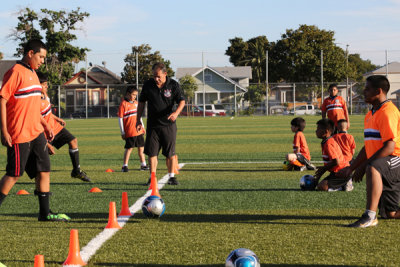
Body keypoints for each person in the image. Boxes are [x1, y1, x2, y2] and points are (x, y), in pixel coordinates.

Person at [0, 39, 70, 221]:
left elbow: (32, 107)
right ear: (30, 53)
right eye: (40, 56)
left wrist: (45, 126)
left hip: (36, 132)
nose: (42, 61)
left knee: (44, 169)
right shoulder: (15, 72)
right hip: (19, 133)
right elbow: (2, 100)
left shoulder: (34, 74)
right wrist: (4, 131)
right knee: (14, 174)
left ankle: (44, 214)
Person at [338, 75, 400, 228]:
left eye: (367, 89)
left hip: (395, 159)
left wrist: (364, 166)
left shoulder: (387, 112)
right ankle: (377, 213)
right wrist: (351, 168)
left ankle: (369, 216)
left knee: (372, 167)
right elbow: (369, 147)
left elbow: (389, 147)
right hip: (385, 162)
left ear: (378, 91)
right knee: (391, 214)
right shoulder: (370, 114)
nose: (364, 91)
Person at [136, 62, 185, 185]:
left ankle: (171, 176)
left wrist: (176, 113)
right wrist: (138, 120)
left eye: (158, 76)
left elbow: (182, 101)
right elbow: (141, 103)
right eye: (154, 76)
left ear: (165, 73)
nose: (156, 79)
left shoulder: (173, 85)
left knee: (169, 153)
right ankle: (152, 177)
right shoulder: (148, 85)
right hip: (153, 125)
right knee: (152, 153)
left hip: (168, 125)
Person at [37, 72, 91, 182]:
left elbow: (47, 113)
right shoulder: (34, 100)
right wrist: (46, 143)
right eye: (44, 84)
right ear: (38, 85)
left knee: (73, 140)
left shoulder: (46, 96)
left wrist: (57, 119)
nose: (47, 86)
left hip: (55, 127)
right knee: (41, 160)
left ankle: (76, 170)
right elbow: (36, 119)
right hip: (44, 132)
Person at [314, 119, 352, 192]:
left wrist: (323, 168)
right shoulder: (325, 142)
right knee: (319, 185)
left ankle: (345, 184)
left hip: (343, 172)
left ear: (326, 131)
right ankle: (342, 184)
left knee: (322, 187)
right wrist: (318, 177)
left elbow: (336, 161)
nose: (316, 131)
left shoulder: (328, 144)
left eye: (318, 129)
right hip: (336, 172)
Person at [118, 86, 149, 172]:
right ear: (128, 94)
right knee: (129, 148)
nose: (134, 97)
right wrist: (122, 132)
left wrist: (142, 126)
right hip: (130, 131)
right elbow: (120, 119)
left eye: (136, 95)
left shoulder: (136, 103)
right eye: (133, 95)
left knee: (141, 148)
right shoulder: (123, 104)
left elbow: (139, 117)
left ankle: (143, 164)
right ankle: (124, 166)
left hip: (138, 131)